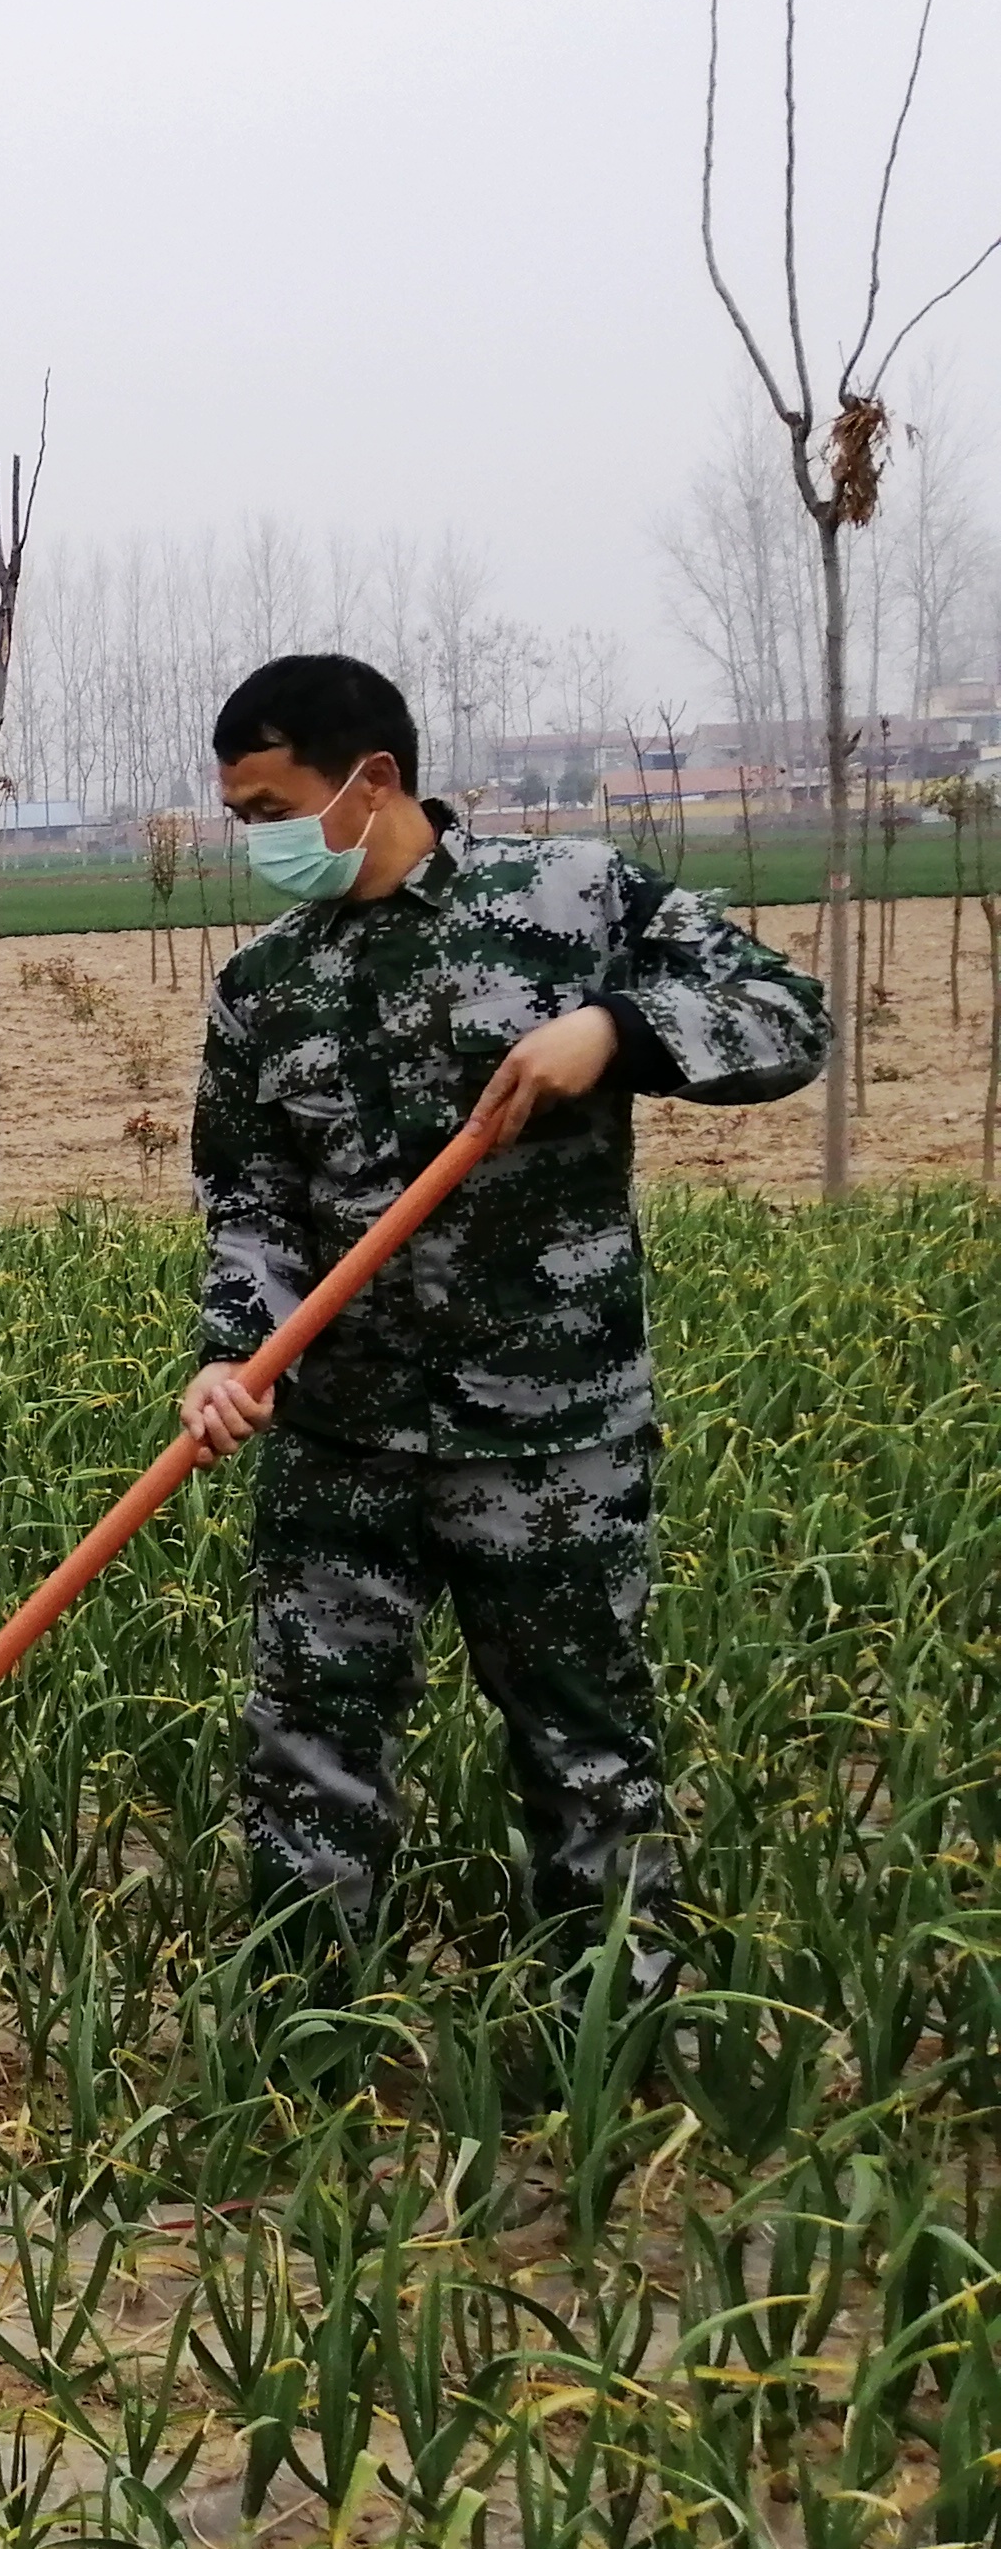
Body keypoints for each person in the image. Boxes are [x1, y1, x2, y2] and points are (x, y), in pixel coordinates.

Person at [176, 653, 827, 1994]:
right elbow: (249, 1198)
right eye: (240, 819)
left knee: (582, 1740)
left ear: (372, 779)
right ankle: (306, 2033)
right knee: (306, 1740)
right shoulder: (264, 984)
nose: (260, 843)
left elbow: (786, 1016)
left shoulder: (572, 897)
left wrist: (616, 1028)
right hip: (345, 1435)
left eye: (271, 810)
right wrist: (233, 1353)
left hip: (550, 1430)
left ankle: (612, 2031)